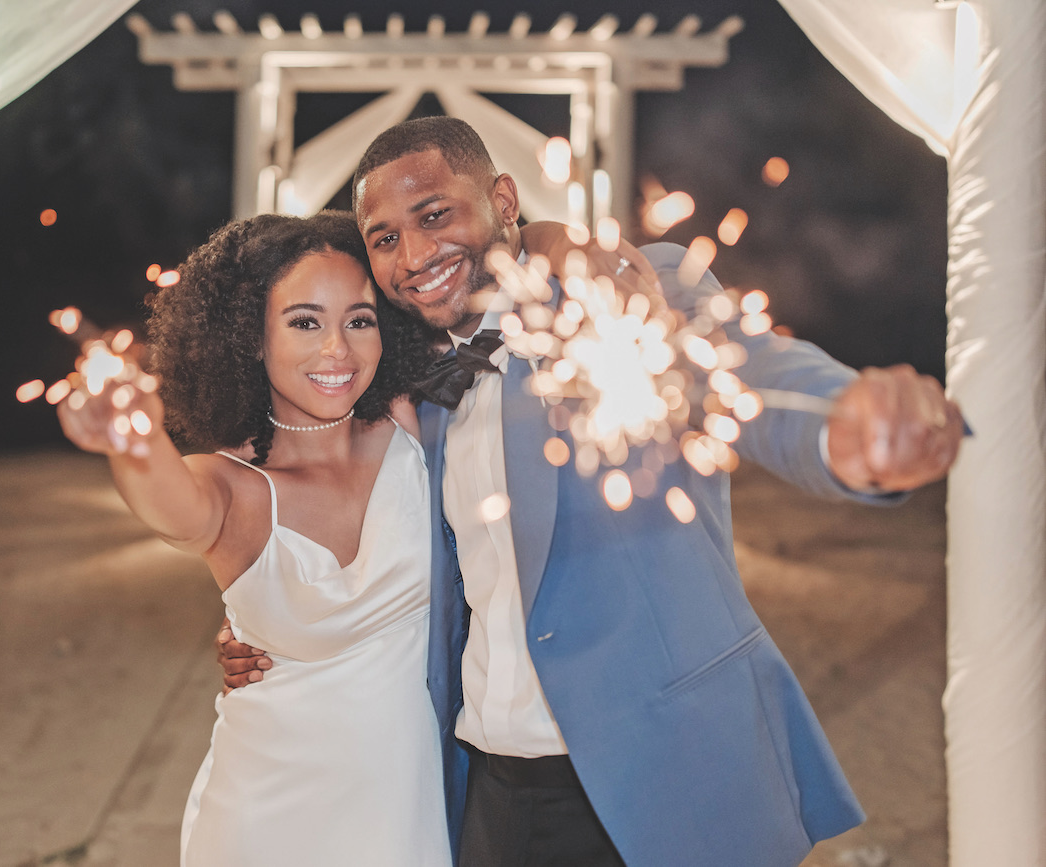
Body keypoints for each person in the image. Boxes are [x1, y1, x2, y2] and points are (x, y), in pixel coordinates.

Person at [220, 117, 964, 867]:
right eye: (383, 238)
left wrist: (843, 430)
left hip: (662, 773)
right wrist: (289, 622)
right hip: (488, 788)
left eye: (435, 214)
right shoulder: (415, 388)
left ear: (503, 200)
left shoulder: (624, 290)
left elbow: (747, 369)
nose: (414, 255)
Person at [58, 208, 641, 866]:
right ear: (251, 336)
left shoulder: (412, 423)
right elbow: (173, 504)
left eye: (358, 320)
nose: (337, 350)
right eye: (305, 321)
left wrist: (559, 237)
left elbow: (502, 254)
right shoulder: (235, 487)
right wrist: (131, 439)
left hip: (414, 816)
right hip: (268, 822)